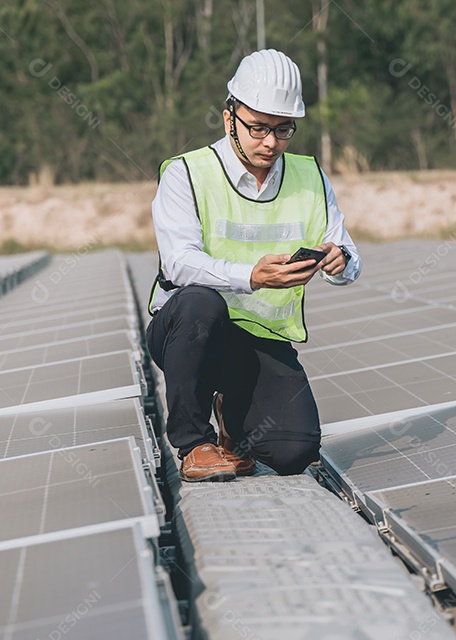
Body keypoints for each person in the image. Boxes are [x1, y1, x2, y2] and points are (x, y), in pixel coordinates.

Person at [146, 48, 361, 482]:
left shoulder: (310, 176)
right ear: (229, 119)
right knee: (199, 303)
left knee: (292, 452)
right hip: (189, 335)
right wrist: (251, 276)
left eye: (284, 130)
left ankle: (232, 419)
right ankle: (193, 443)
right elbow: (180, 263)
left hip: (259, 341)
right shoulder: (186, 173)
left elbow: (347, 251)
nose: (270, 143)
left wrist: (340, 262)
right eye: (258, 127)